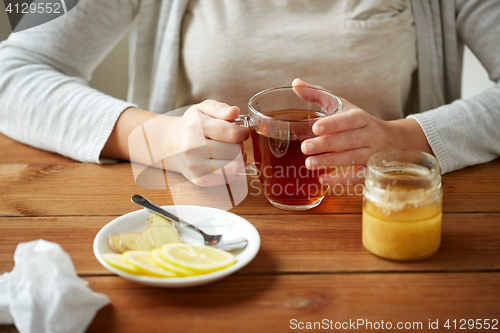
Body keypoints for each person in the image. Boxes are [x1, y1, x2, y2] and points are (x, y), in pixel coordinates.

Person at [0, 0, 499, 187]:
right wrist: (155, 136)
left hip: (377, 217)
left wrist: (404, 139)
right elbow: (13, 70)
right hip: (201, 226)